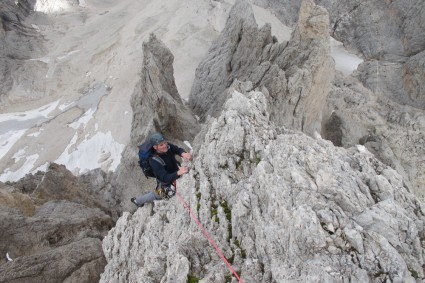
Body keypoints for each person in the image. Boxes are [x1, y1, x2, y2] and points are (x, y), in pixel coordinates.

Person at [131, 132, 192, 207]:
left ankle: (138, 200)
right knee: (158, 195)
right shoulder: (154, 161)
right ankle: (137, 200)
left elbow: (177, 149)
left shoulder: (167, 147)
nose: (165, 145)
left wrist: (183, 154)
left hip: (174, 173)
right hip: (165, 183)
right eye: (161, 145)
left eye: (165, 142)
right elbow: (165, 178)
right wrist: (178, 173)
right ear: (155, 147)